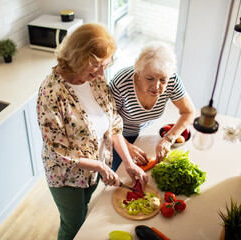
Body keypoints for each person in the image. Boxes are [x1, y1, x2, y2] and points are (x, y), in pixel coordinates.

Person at [36, 23, 147, 240]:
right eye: (96, 66)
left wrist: (128, 162)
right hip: (65, 176)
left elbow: (113, 122)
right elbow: (59, 151)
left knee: (84, 209)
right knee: (73, 225)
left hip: (94, 168)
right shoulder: (51, 93)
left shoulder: (95, 80)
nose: (101, 73)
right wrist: (100, 166)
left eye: (104, 66)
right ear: (79, 57)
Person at [109, 42, 195, 171]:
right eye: (149, 78)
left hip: (147, 132)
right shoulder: (121, 82)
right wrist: (126, 145)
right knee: (118, 172)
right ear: (138, 73)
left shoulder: (172, 80)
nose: (156, 86)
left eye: (163, 80)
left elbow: (188, 112)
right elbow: (106, 120)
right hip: (118, 136)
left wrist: (168, 139)